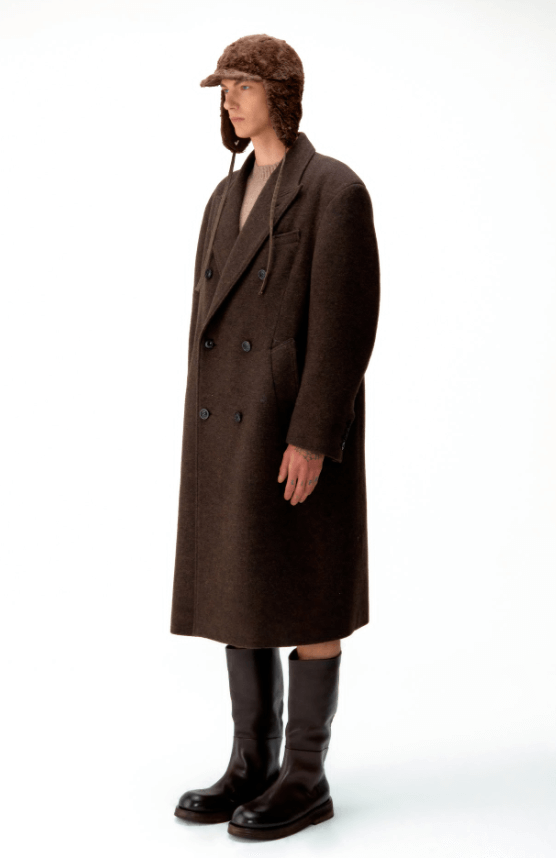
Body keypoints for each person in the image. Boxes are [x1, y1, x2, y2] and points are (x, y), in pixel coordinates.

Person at [171, 33, 381, 840]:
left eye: (242, 86)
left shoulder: (334, 190)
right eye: (223, 87)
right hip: (229, 426)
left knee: (311, 588)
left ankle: (305, 776)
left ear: (281, 96)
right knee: (241, 585)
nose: (229, 100)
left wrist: (313, 435)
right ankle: (252, 761)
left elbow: (345, 328)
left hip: (294, 426)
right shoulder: (222, 197)